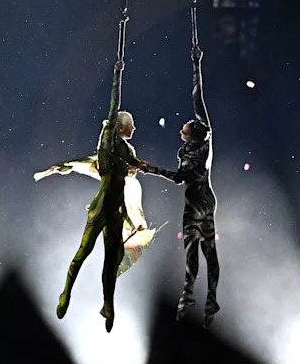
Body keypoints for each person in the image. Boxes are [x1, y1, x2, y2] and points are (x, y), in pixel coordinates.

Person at [56, 58, 145, 332]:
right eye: (130, 125)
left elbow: (139, 165)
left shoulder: (127, 151)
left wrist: (168, 173)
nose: (133, 129)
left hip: (116, 211)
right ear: (119, 127)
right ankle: (66, 292)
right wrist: (118, 74)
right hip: (102, 207)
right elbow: (113, 105)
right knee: (83, 251)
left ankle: (108, 303)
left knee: (112, 260)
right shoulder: (108, 139)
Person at [139, 45, 219, 326]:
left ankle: (188, 294)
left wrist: (150, 169)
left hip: (195, 201)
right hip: (207, 198)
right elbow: (199, 102)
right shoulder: (206, 139)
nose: (181, 130)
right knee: (209, 249)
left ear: (190, 136)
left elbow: (178, 178)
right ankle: (210, 296)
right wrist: (196, 65)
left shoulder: (193, 154)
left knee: (192, 248)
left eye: (184, 129)